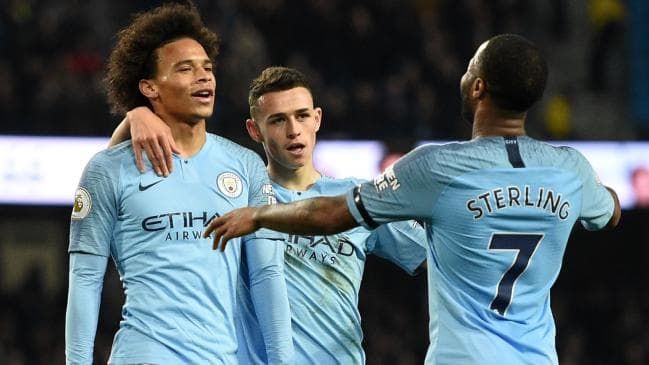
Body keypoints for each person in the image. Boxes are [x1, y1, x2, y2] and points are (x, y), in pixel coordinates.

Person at [202, 34, 622, 364]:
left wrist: (260, 217)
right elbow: (609, 211)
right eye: (278, 120)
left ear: (477, 87)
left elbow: (333, 214)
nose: (293, 130)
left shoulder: (436, 167)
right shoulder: (571, 171)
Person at [114, 66, 428, 364]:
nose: (294, 131)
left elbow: (440, 255)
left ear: (317, 119)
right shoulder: (229, 195)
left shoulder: (356, 197)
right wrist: (135, 118)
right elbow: (106, 194)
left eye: (302, 116)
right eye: (277, 120)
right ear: (254, 130)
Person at [65, 3, 292, 364]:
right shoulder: (107, 170)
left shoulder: (246, 166)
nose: (204, 78)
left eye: (207, 68)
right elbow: (85, 281)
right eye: (185, 69)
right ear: (149, 87)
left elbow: (267, 277)